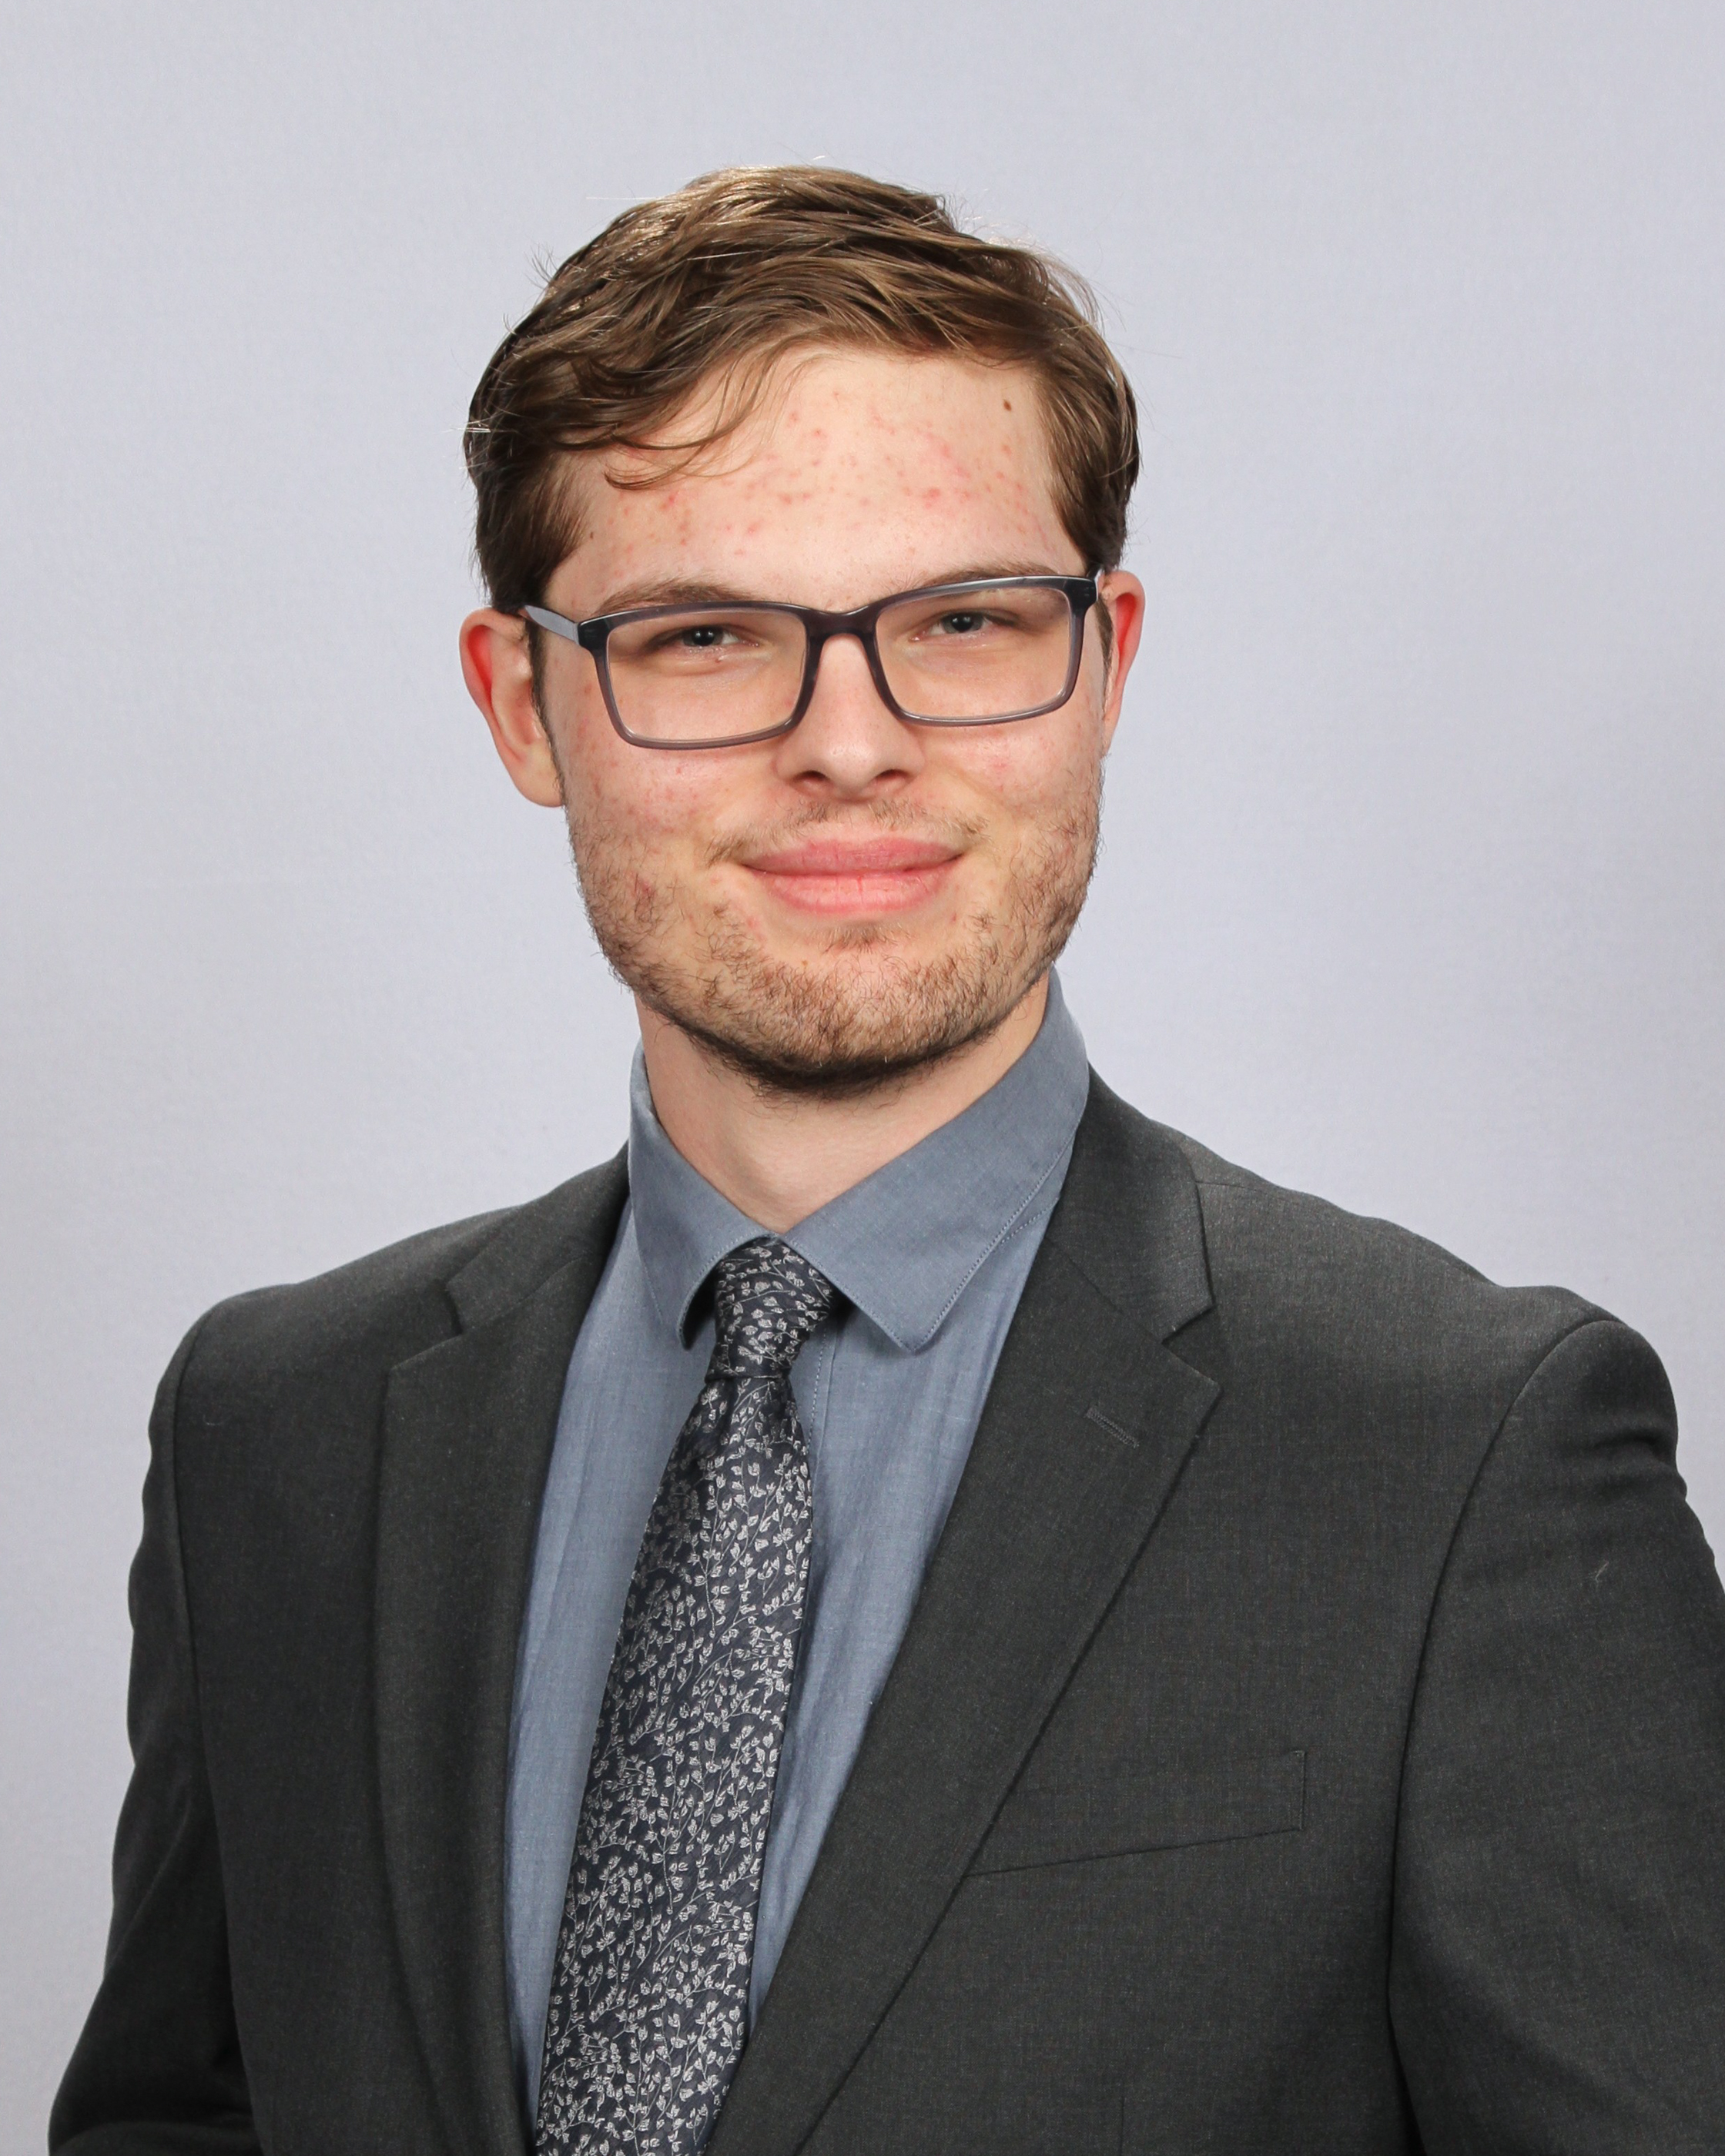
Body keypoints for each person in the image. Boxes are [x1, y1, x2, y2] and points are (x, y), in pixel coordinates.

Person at [52, 166, 1725, 2156]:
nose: (849, 742)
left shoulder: (1459, 1463)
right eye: (703, 635)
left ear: (1105, 664)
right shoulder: (275, 1434)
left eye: (965, 620)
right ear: (523, 705)